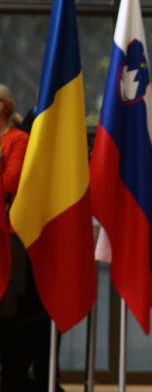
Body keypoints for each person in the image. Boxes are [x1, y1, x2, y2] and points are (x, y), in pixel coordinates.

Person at [0, 84, 63, 392]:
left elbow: (10, 181)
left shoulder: (18, 139)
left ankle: (14, 375)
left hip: (9, 237)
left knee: (10, 311)